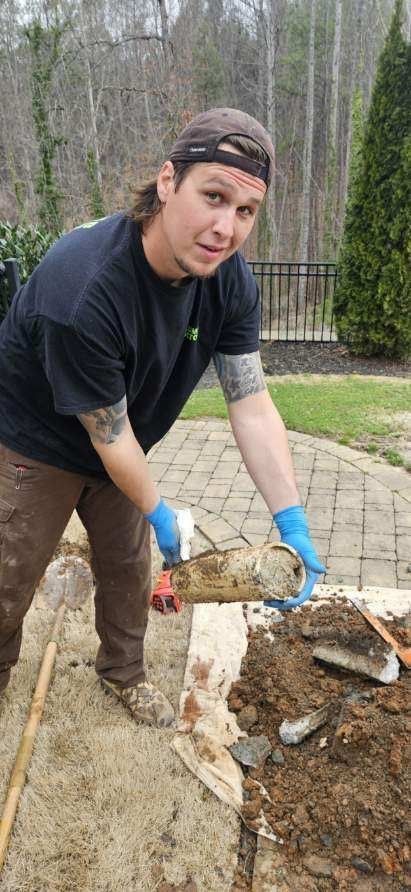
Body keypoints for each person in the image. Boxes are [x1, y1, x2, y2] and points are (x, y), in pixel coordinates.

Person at [0, 108, 325, 727]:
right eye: (213, 196)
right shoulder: (86, 288)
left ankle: (123, 673)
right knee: (8, 576)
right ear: (168, 181)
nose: (225, 228)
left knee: (128, 565)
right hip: (33, 441)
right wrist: (159, 507)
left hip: (122, 443)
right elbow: (111, 434)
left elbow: (251, 403)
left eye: (246, 212)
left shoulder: (230, 282)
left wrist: (292, 520)